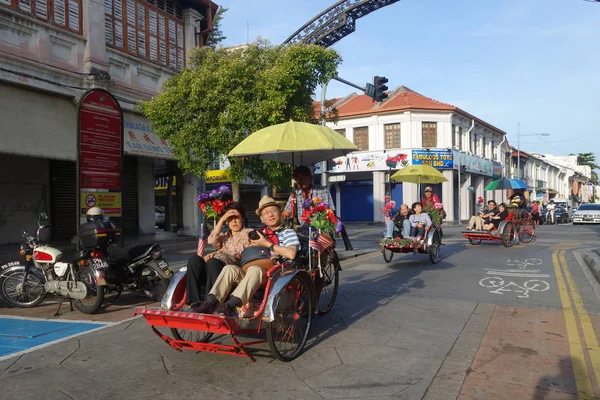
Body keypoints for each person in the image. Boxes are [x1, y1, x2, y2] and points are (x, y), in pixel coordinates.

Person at [193, 196, 300, 317]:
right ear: (262, 218)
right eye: (265, 212)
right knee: (229, 269)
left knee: (254, 269)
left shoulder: (288, 232)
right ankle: (211, 302)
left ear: (280, 213)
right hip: (252, 272)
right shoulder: (258, 233)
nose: (270, 214)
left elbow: (291, 254)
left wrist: (267, 244)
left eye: (273, 210)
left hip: (275, 274)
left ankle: (230, 305)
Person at [187, 202, 252, 310]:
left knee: (213, 262)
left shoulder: (249, 233)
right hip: (216, 268)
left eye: (237, 217)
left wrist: (219, 253)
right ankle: (195, 301)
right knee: (194, 260)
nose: (234, 221)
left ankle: (210, 303)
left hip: (233, 271)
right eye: (230, 219)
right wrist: (222, 219)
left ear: (243, 218)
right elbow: (211, 240)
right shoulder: (223, 236)